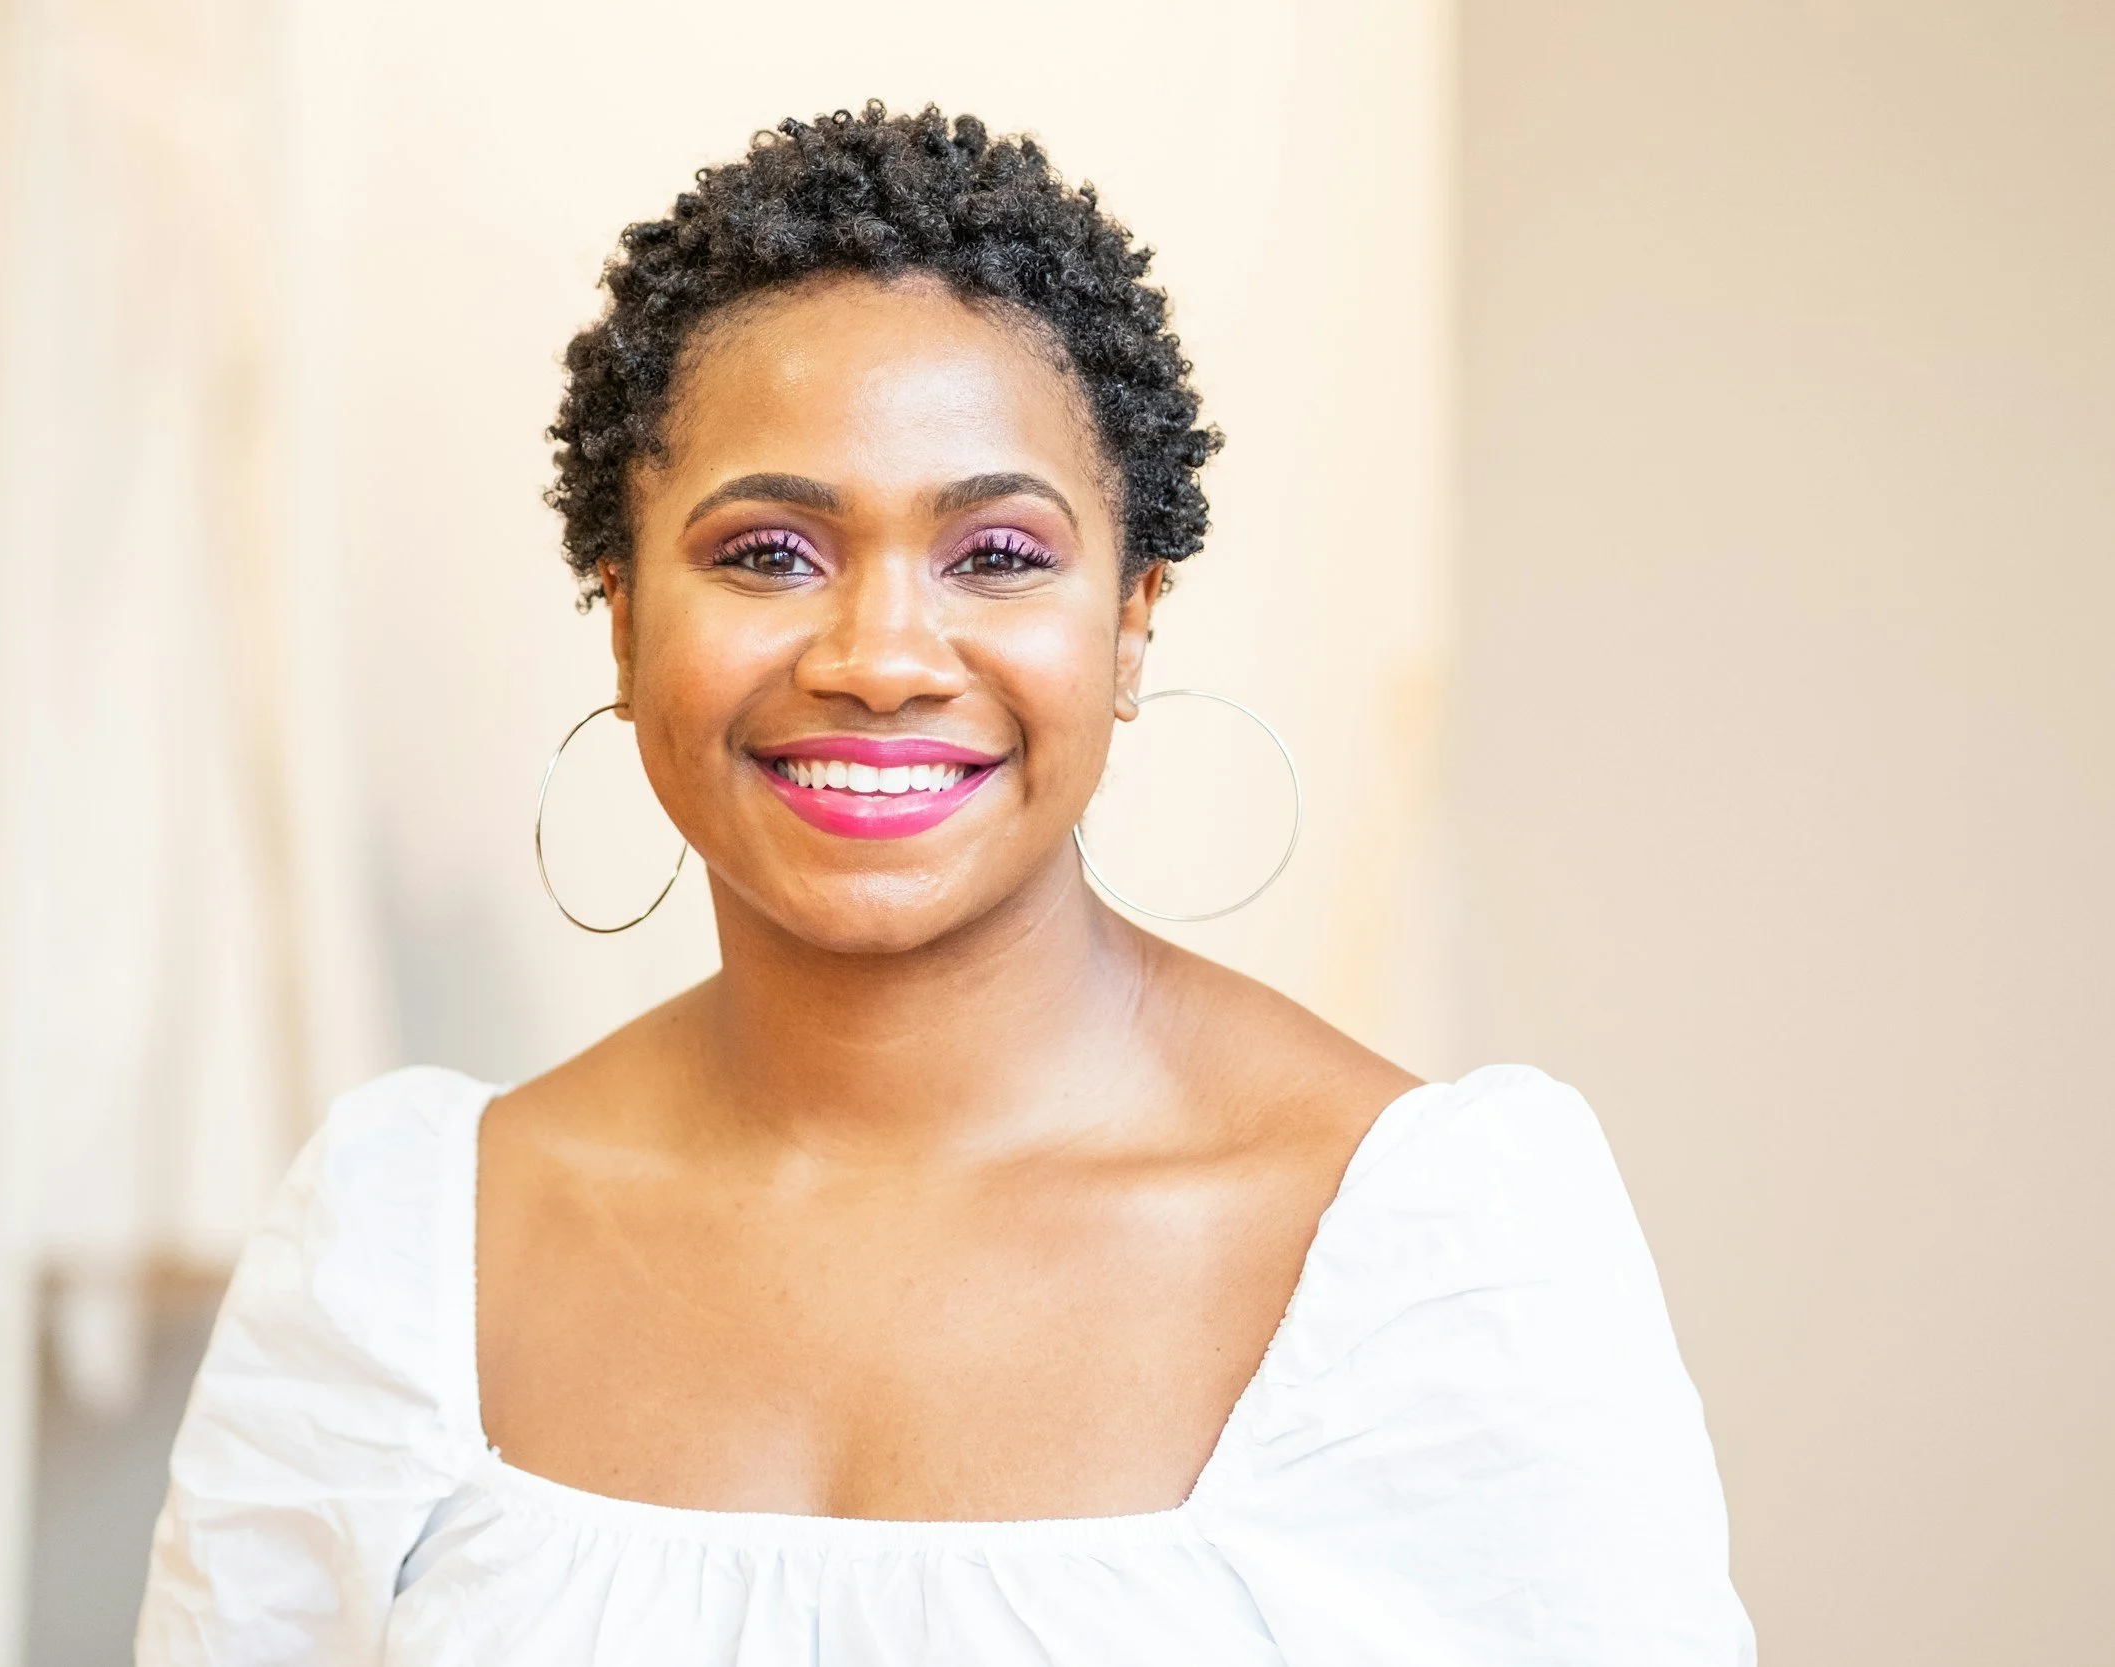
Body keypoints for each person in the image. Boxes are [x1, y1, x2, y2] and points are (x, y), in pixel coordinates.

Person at [137, 103, 1752, 1665]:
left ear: (1132, 623)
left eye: (996, 555)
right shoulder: (399, 1249)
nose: (882, 659)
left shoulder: (1436, 1251)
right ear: (623, 621)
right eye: (770, 551)